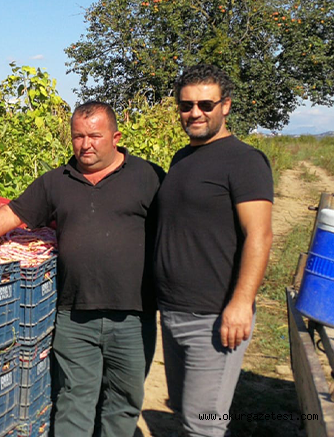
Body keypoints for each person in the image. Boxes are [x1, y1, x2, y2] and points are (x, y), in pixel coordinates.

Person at [0, 102, 163, 437]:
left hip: (132, 314)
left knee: (123, 401)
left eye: (95, 136)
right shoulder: (58, 180)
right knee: (73, 399)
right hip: (75, 316)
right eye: (78, 136)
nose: (85, 144)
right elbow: (14, 213)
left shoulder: (149, 176)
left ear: (116, 137)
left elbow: (178, 227)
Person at [154, 64, 273, 437]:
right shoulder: (181, 159)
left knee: (202, 424)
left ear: (226, 106)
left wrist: (240, 303)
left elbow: (260, 235)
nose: (195, 113)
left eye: (206, 104)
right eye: (186, 105)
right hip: (173, 311)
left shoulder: (244, 161)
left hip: (214, 315)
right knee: (187, 417)